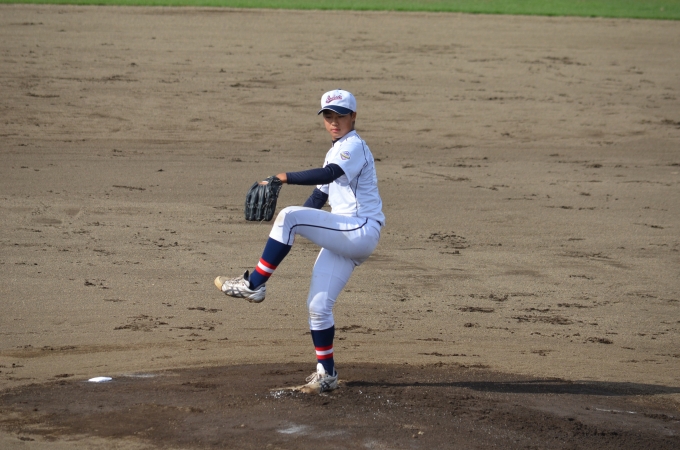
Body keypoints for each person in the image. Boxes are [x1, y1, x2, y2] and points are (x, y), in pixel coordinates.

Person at [214, 89, 385, 393]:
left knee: (289, 215)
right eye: (328, 116)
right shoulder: (335, 150)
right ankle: (327, 374)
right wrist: (294, 228)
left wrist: (284, 177)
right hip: (343, 234)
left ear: (353, 117)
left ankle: (254, 284)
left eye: (340, 116)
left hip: (359, 229)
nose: (334, 122)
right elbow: (319, 196)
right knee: (318, 306)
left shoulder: (353, 146)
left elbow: (329, 174)